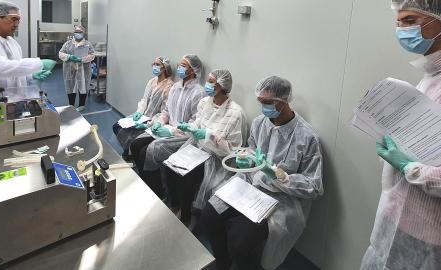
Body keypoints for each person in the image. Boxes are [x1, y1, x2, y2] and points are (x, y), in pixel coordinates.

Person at [361, 0, 441, 270]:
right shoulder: (432, 77)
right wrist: (394, 148)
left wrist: (415, 169)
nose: (402, 30)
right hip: (393, 225)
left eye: (411, 21)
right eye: (399, 23)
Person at [201, 76, 323, 270]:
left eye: (268, 103)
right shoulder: (260, 123)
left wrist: (279, 176)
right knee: (209, 214)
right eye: (261, 102)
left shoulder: (307, 137)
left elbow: (314, 186)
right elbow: (251, 150)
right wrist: (245, 157)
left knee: (239, 239)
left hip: (279, 198)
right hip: (250, 185)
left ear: (284, 102)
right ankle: (223, 264)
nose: (263, 108)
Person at [164, 69, 247, 224]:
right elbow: (197, 124)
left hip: (216, 158)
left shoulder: (235, 113)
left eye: (211, 82)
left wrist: (210, 135)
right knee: (170, 166)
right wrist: (188, 128)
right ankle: (176, 206)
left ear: (222, 86)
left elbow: (233, 150)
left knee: (186, 178)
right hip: (197, 149)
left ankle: (186, 219)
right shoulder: (204, 103)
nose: (207, 85)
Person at [129, 54, 206, 196]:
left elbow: (194, 123)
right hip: (167, 128)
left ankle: (158, 192)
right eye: (180, 65)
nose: (180, 68)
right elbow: (166, 111)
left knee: (149, 150)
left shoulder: (199, 93)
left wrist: (171, 131)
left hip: (183, 136)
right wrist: (159, 122)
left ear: (193, 70)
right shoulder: (176, 87)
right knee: (135, 145)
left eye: (184, 66)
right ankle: (147, 182)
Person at [112, 56, 174, 159]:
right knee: (117, 126)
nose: (154, 66)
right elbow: (144, 99)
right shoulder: (152, 81)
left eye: (157, 64)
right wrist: (139, 112)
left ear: (165, 67)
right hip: (143, 116)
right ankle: (128, 151)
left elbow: (164, 111)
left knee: (132, 136)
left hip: (153, 120)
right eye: (153, 64)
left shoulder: (169, 86)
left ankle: (129, 154)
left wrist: (150, 123)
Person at [58, 25, 95, 111]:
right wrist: (69, 57)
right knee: (70, 85)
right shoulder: (68, 44)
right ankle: (71, 105)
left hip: (84, 69)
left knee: (84, 85)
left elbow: (92, 54)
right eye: (76, 32)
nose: (78, 34)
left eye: (80, 32)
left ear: (83, 33)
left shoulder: (88, 44)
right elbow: (60, 53)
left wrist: (82, 59)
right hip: (69, 69)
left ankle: (82, 105)